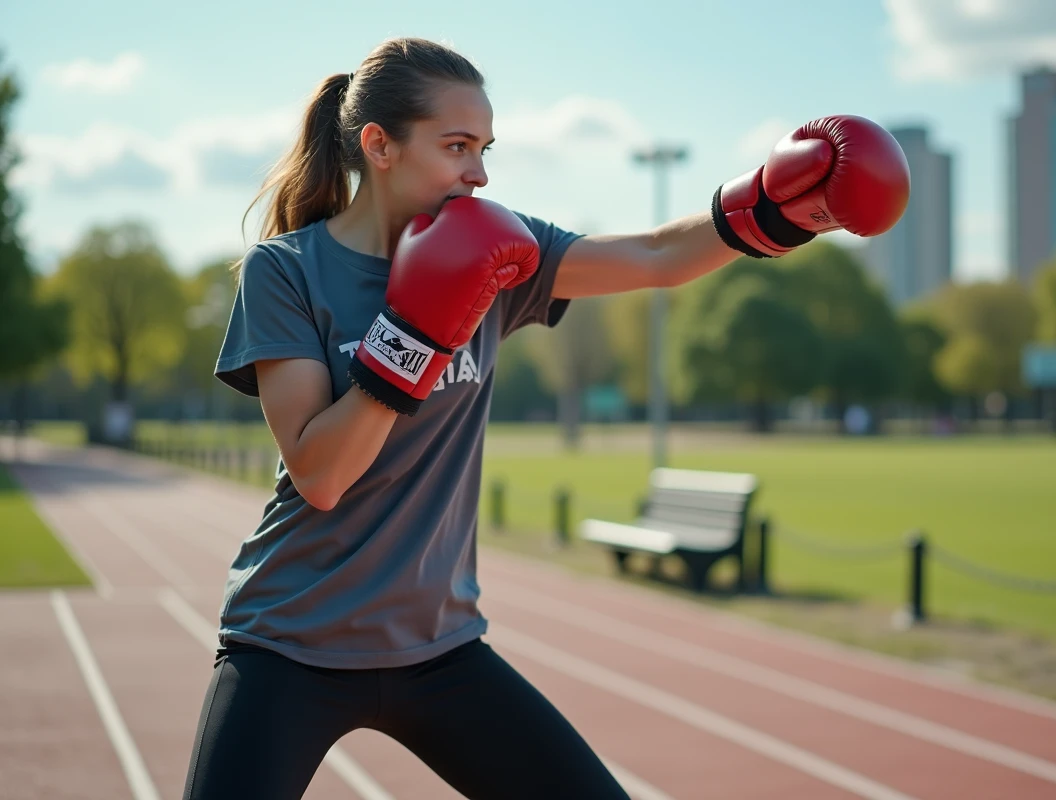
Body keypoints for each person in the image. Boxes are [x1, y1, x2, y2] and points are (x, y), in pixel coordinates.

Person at [184, 36, 909, 800]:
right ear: (380, 145)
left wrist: (768, 209)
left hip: (437, 648)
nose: (480, 171)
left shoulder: (496, 251)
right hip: (291, 641)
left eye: (486, 148)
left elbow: (656, 258)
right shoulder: (289, 270)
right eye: (457, 146)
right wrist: (417, 330)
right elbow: (322, 475)